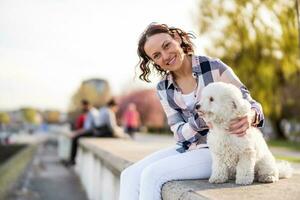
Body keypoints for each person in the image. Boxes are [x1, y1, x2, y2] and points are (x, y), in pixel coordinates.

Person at [119, 23, 264, 200]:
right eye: (156, 55)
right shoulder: (164, 87)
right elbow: (178, 132)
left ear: (177, 39)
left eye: (167, 45)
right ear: (154, 62)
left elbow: (249, 101)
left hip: (221, 150)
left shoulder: (214, 67)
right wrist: (200, 121)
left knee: (152, 175)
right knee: (129, 175)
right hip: (188, 148)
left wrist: (251, 115)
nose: (165, 56)